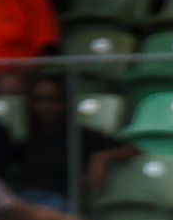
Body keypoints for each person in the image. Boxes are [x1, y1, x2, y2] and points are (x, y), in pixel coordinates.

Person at [13, 71, 139, 212]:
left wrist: (102, 158)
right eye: (40, 101)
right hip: (25, 201)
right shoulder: (25, 141)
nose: (46, 107)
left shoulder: (79, 136)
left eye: (53, 100)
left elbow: (132, 149)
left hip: (61, 204)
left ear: (65, 103)